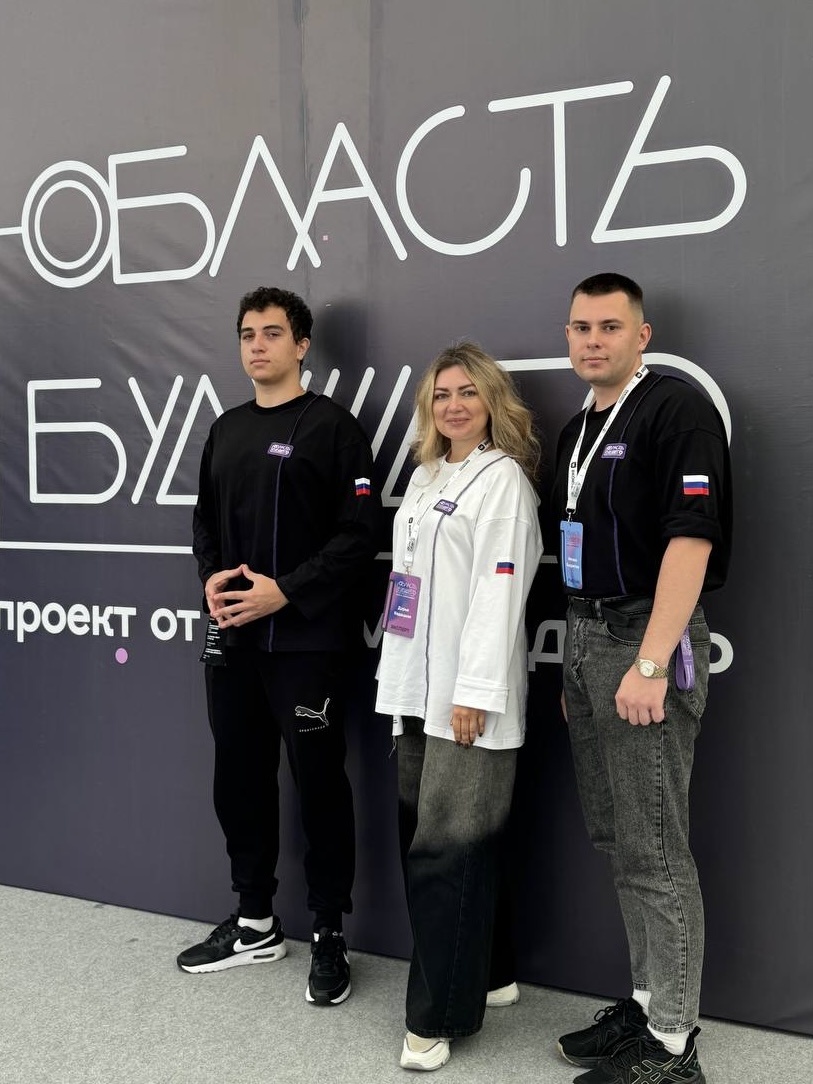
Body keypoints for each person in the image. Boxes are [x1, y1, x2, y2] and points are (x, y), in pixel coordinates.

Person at [551, 273, 732, 1083]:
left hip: (641, 640)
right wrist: (575, 667)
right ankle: (646, 1002)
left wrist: (650, 663)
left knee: (654, 851)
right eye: (579, 327)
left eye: (609, 326)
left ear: (641, 335)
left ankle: (673, 1046)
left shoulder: (673, 410)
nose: (592, 340)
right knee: (619, 840)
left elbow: (690, 539)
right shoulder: (577, 429)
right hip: (586, 638)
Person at [179, 286, 380, 1007]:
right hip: (232, 640)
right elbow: (204, 523)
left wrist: (286, 592)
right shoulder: (226, 428)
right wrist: (211, 577)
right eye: (247, 334)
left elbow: (359, 536)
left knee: (320, 785)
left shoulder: (333, 428)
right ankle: (255, 922)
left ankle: (328, 930)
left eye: (271, 333)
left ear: (301, 345)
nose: (257, 345)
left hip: (307, 644)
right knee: (238, 778)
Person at [376, 342, 543, 1071]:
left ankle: (434, 1019)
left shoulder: (502, 481)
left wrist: (473, 691)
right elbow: (407, 587)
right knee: (445, 840)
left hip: (467, 701)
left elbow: (498, 592)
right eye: (441, 394)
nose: (453, 405)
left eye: (467, 392)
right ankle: (492, 974)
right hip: (415, 692)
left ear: (492, 402)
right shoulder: (425, 477)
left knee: (445, 854)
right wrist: (397, 686)